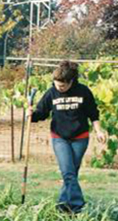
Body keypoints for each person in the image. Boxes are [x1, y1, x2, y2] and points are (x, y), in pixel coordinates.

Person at [28, 61, 106, 213]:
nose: (59, 88)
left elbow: (93, 113)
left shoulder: (83, 91)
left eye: (63, 86)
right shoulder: (51, 92)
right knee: (67, 172)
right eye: (57, 84)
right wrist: (31, 115)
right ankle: (78, 206)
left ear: (71, 82)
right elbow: (41, 113)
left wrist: (99, 131)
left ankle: (63, 206)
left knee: (71, 173)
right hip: (60, 137)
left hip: (80, 137)